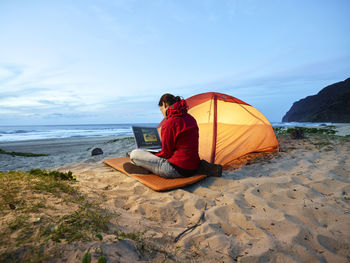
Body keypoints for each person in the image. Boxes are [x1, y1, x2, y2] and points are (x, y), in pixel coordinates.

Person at [130, 93, 222, 178]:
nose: (162, 113)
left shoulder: (170, 122)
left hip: (176, 169)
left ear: (164, 105)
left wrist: (153, 153)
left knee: (134, 153)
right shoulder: (191, 118)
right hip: (194, 166)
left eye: (161, 109)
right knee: (148, 154)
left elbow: (166, 153)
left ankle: (145, 166)